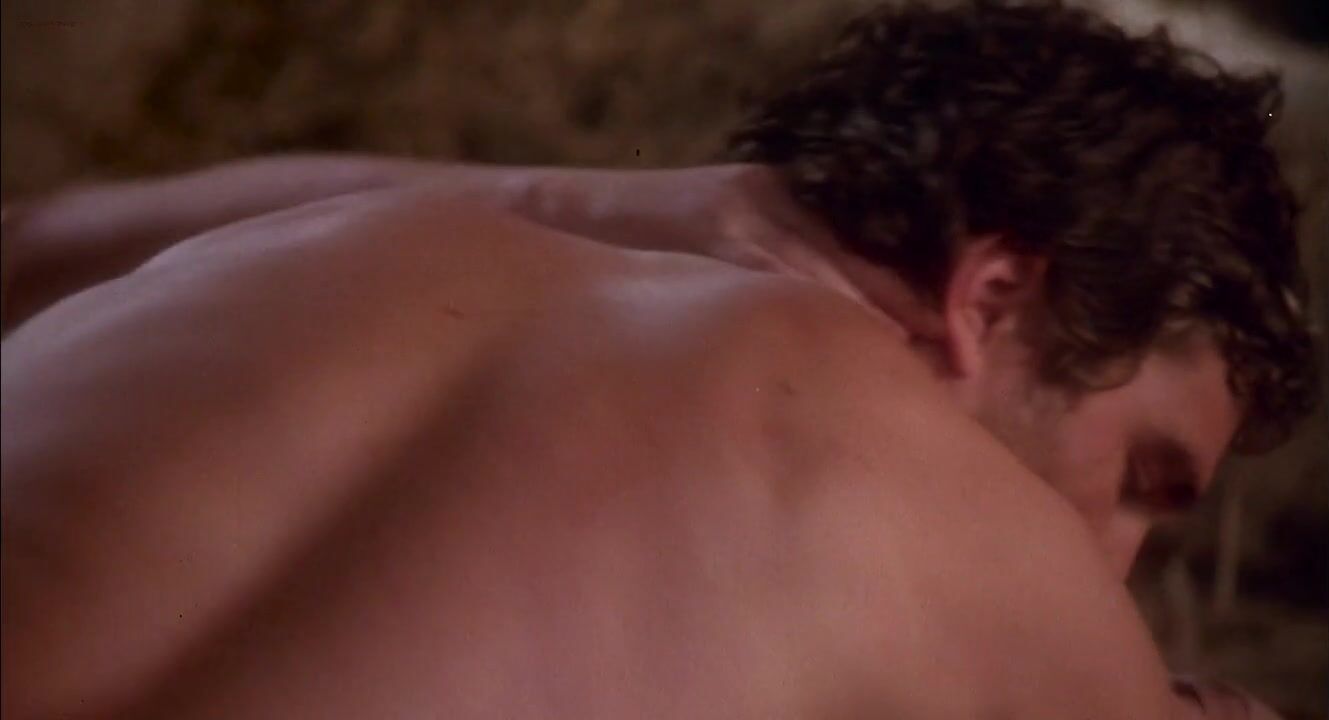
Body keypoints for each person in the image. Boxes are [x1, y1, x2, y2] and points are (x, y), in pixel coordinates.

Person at [1, 1, 1315, 718]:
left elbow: (28, 239)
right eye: (1141, 478)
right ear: (995, 299)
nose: (1116, 565)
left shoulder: (271, 259)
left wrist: (624, 200)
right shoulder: (964, 544)